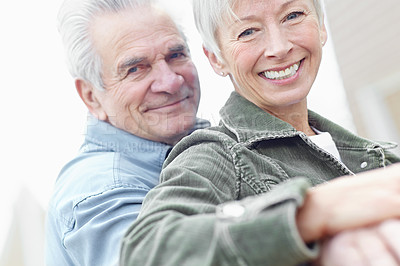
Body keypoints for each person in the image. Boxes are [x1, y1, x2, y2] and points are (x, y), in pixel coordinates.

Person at [119, 0, 400, 265]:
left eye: (293, 16)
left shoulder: (385, 155)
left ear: (321, 25)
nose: (279, 47)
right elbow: (146, 251)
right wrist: (311, 212)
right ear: (216, 58)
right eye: (248, 31)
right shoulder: (217, 154)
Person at [44, 0, 210, 265]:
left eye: (175, 55)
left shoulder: (212, 143)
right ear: (91, 97)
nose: (171, 81)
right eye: (135, 69)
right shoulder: (101, 192)